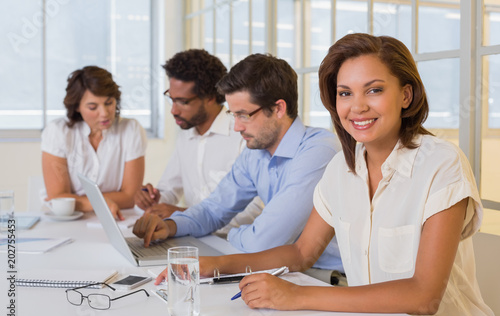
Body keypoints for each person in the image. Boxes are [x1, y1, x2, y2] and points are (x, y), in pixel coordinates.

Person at [154, 34, 499, 316]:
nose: (357, 107)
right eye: (345, 93)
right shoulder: (340, 169)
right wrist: (213, 266)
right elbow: (302, 252)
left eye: (374, 90)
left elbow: (424, 295)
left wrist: (296, 295)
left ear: (406, 96)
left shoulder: (440, 162)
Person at [134, 53, 344, 279]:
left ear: (278, 109)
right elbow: (214, 209)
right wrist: (170, 226)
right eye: (233, 115)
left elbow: (262, 242)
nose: (236, 127)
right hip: (277, 269)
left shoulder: (320, 151)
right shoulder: (256, 152)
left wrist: (232, 234)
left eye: (243, 115)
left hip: (323, 277)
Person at [133, 49, 262, 236]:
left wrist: (183, 214)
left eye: (183, 102)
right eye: (171, 99)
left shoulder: (243, 136)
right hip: (195, 239)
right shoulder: (186, 135)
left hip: (233, 244)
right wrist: (151, 199)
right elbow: (169, 189)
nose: (173, 111)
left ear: (210, 97)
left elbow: (254, 212)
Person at [41, 66, 147, 219]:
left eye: (109, 103)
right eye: (93, 107)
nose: (104, 113)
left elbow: (130, 197)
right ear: (77, 106)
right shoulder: (58, 132)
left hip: (117, 218)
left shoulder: (131, 130)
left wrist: (78, 201)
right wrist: (103, 202)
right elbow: (58, 198)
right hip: (67, 220)